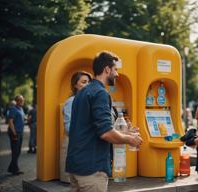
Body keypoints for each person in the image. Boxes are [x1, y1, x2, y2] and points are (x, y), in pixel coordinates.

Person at [66, 51, 142, 192]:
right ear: (107, 69)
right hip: (91, 169)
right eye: (115, 70)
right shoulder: (100, 93)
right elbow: (105, 133)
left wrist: (125, 133)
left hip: (76, 165)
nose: (117, 74)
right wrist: (131, 139)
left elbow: (91, 128)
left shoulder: (82, 92)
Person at [60, 71, 92, 183]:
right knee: (71, 182)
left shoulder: (89, 100)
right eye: (84, 82)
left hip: (83, 144)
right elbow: (69, 126)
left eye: (89, 82)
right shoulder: (71, 101)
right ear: (75, 84)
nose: (87, 84)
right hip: (72, 143)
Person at [7, 95, 25, 175]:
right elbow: (10, 122)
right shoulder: (13, 109)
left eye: (22, 100)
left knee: (18, 151)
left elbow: (22, 118)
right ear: (16, 101)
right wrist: (14, 133)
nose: (22, 101)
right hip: (15, 133)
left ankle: (12, 168)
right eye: (20, 100)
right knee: (15, 151)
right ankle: (15, 169)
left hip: (20, 133)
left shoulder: (21, 109)